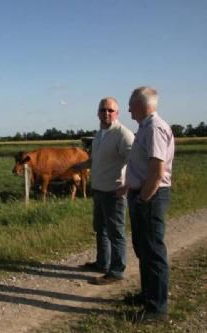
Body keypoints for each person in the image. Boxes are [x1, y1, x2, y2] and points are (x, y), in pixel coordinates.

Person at [124, 86, 175, 322]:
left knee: (153, 250)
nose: (128, 109)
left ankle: (157, 308)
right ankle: (147, 295)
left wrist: (143, 199)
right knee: (143, 248)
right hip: (142, 194)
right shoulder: (145, 128)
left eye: (131, 104)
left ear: (143, 105)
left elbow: (156, 171)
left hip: (151, 196)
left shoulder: (154, 128)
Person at [77, 97, 134, 285]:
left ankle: (116, 271)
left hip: (114, 192)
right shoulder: (100, 134)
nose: (106, 113)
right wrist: (75, 166)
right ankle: (102, 263)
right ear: (97, 113)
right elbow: (94, 160)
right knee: (100, 229)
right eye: (103, 110)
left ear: (117, 113)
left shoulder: (123, 134)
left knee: (115, 232)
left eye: (110, 110)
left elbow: (135, 161)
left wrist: (127, 185)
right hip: (99, 190)